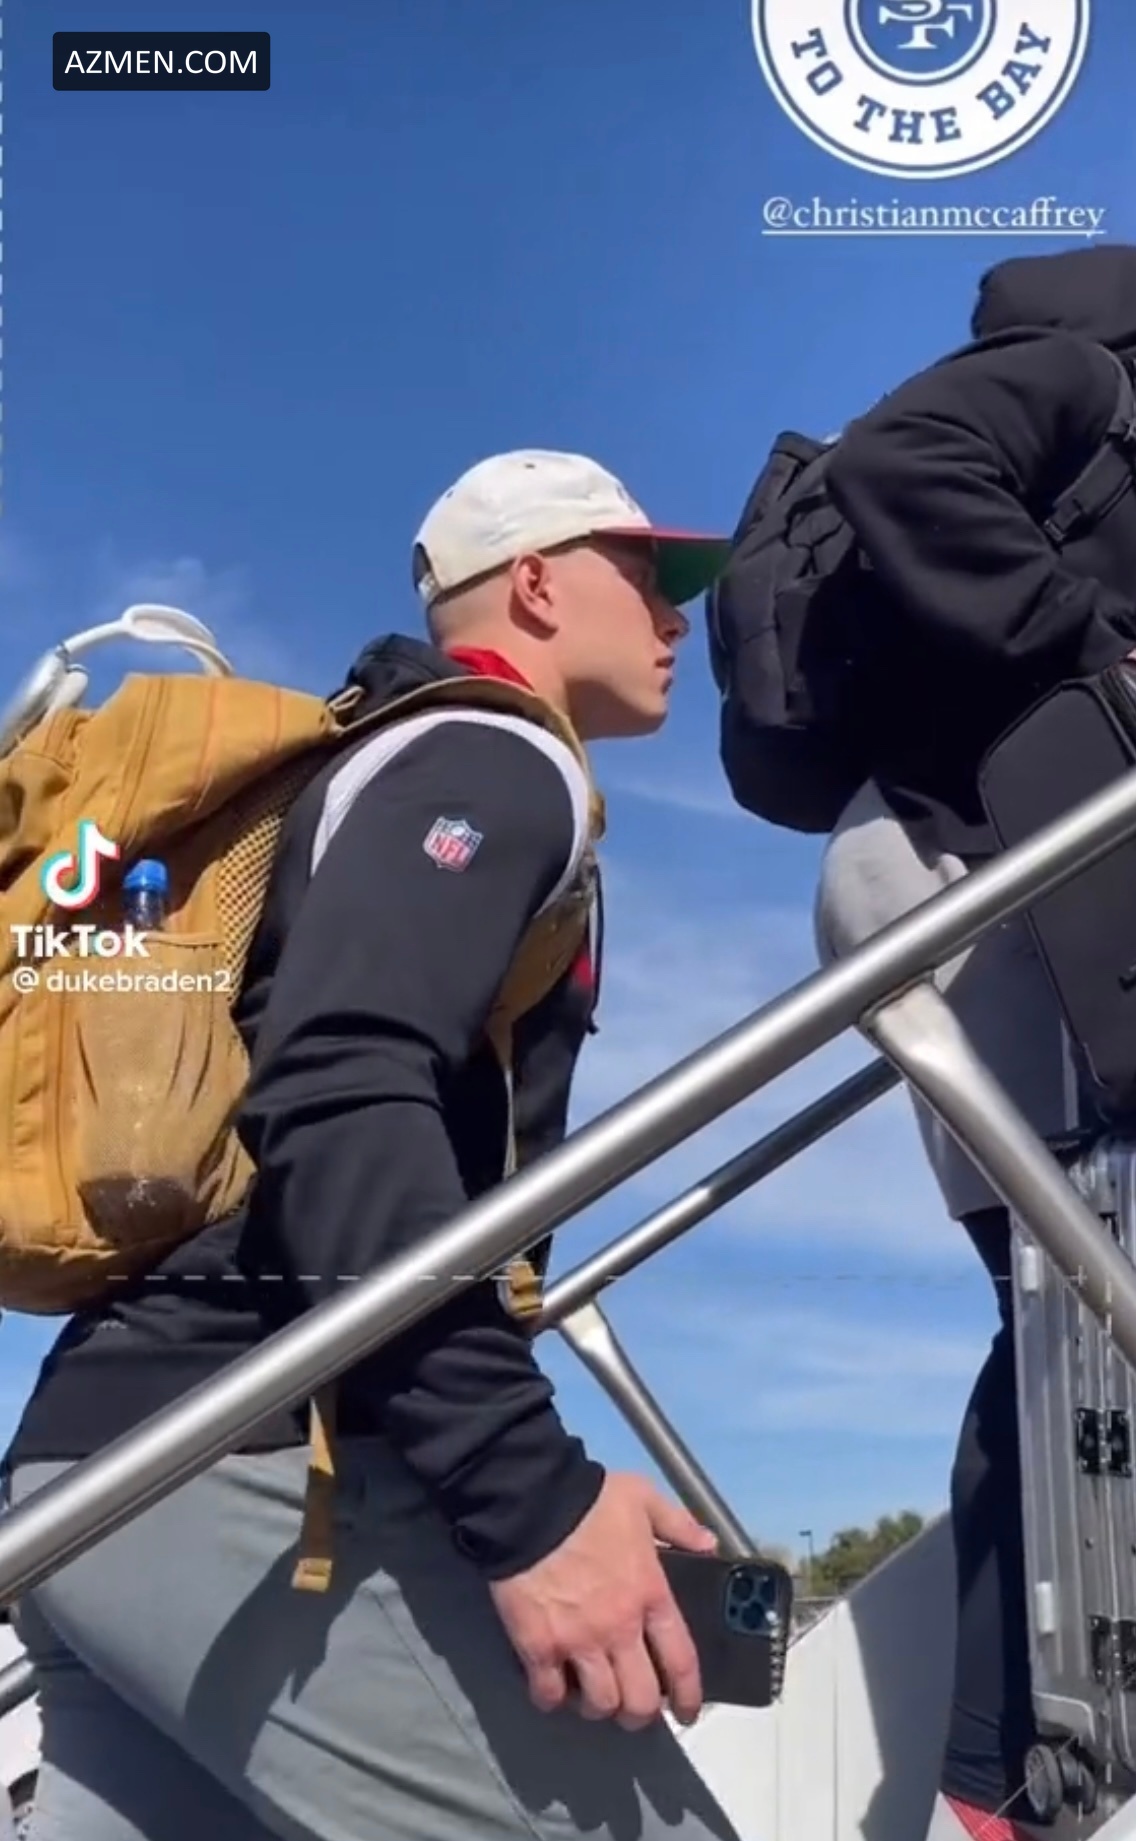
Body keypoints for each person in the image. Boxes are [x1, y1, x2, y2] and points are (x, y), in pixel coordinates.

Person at [2, 449, 742, 1841]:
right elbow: (339, 1083)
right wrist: (527, 1498)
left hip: (104, 1465)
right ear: (535, 585)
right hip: (240, 1464)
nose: (674, 617)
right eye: (647, 575)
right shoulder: (494, 756)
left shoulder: (384, 761)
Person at [814, 245, 1136, 1840]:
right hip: (979, 867)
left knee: (1052, 1297)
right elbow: (898, 461)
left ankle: (992, 1773)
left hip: (959, 867)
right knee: (1067, 1286)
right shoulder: (1089, 373)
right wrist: (1101, 653)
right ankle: (1014, 1764)